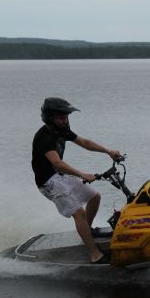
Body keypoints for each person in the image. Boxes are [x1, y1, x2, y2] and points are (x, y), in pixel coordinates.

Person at [31, 97, 122, 264]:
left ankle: (87, 231)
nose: (65, 120)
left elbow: (85, 143)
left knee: (95, 196)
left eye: (66, 117)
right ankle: (94, 254)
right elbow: (57, 163)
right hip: (48, 182)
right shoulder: (44, 137)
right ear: (49, 118)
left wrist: (108, 151)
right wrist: (82, 174)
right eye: (61, 117)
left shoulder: (62, 130)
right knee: (79, 213)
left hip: (59, 176)